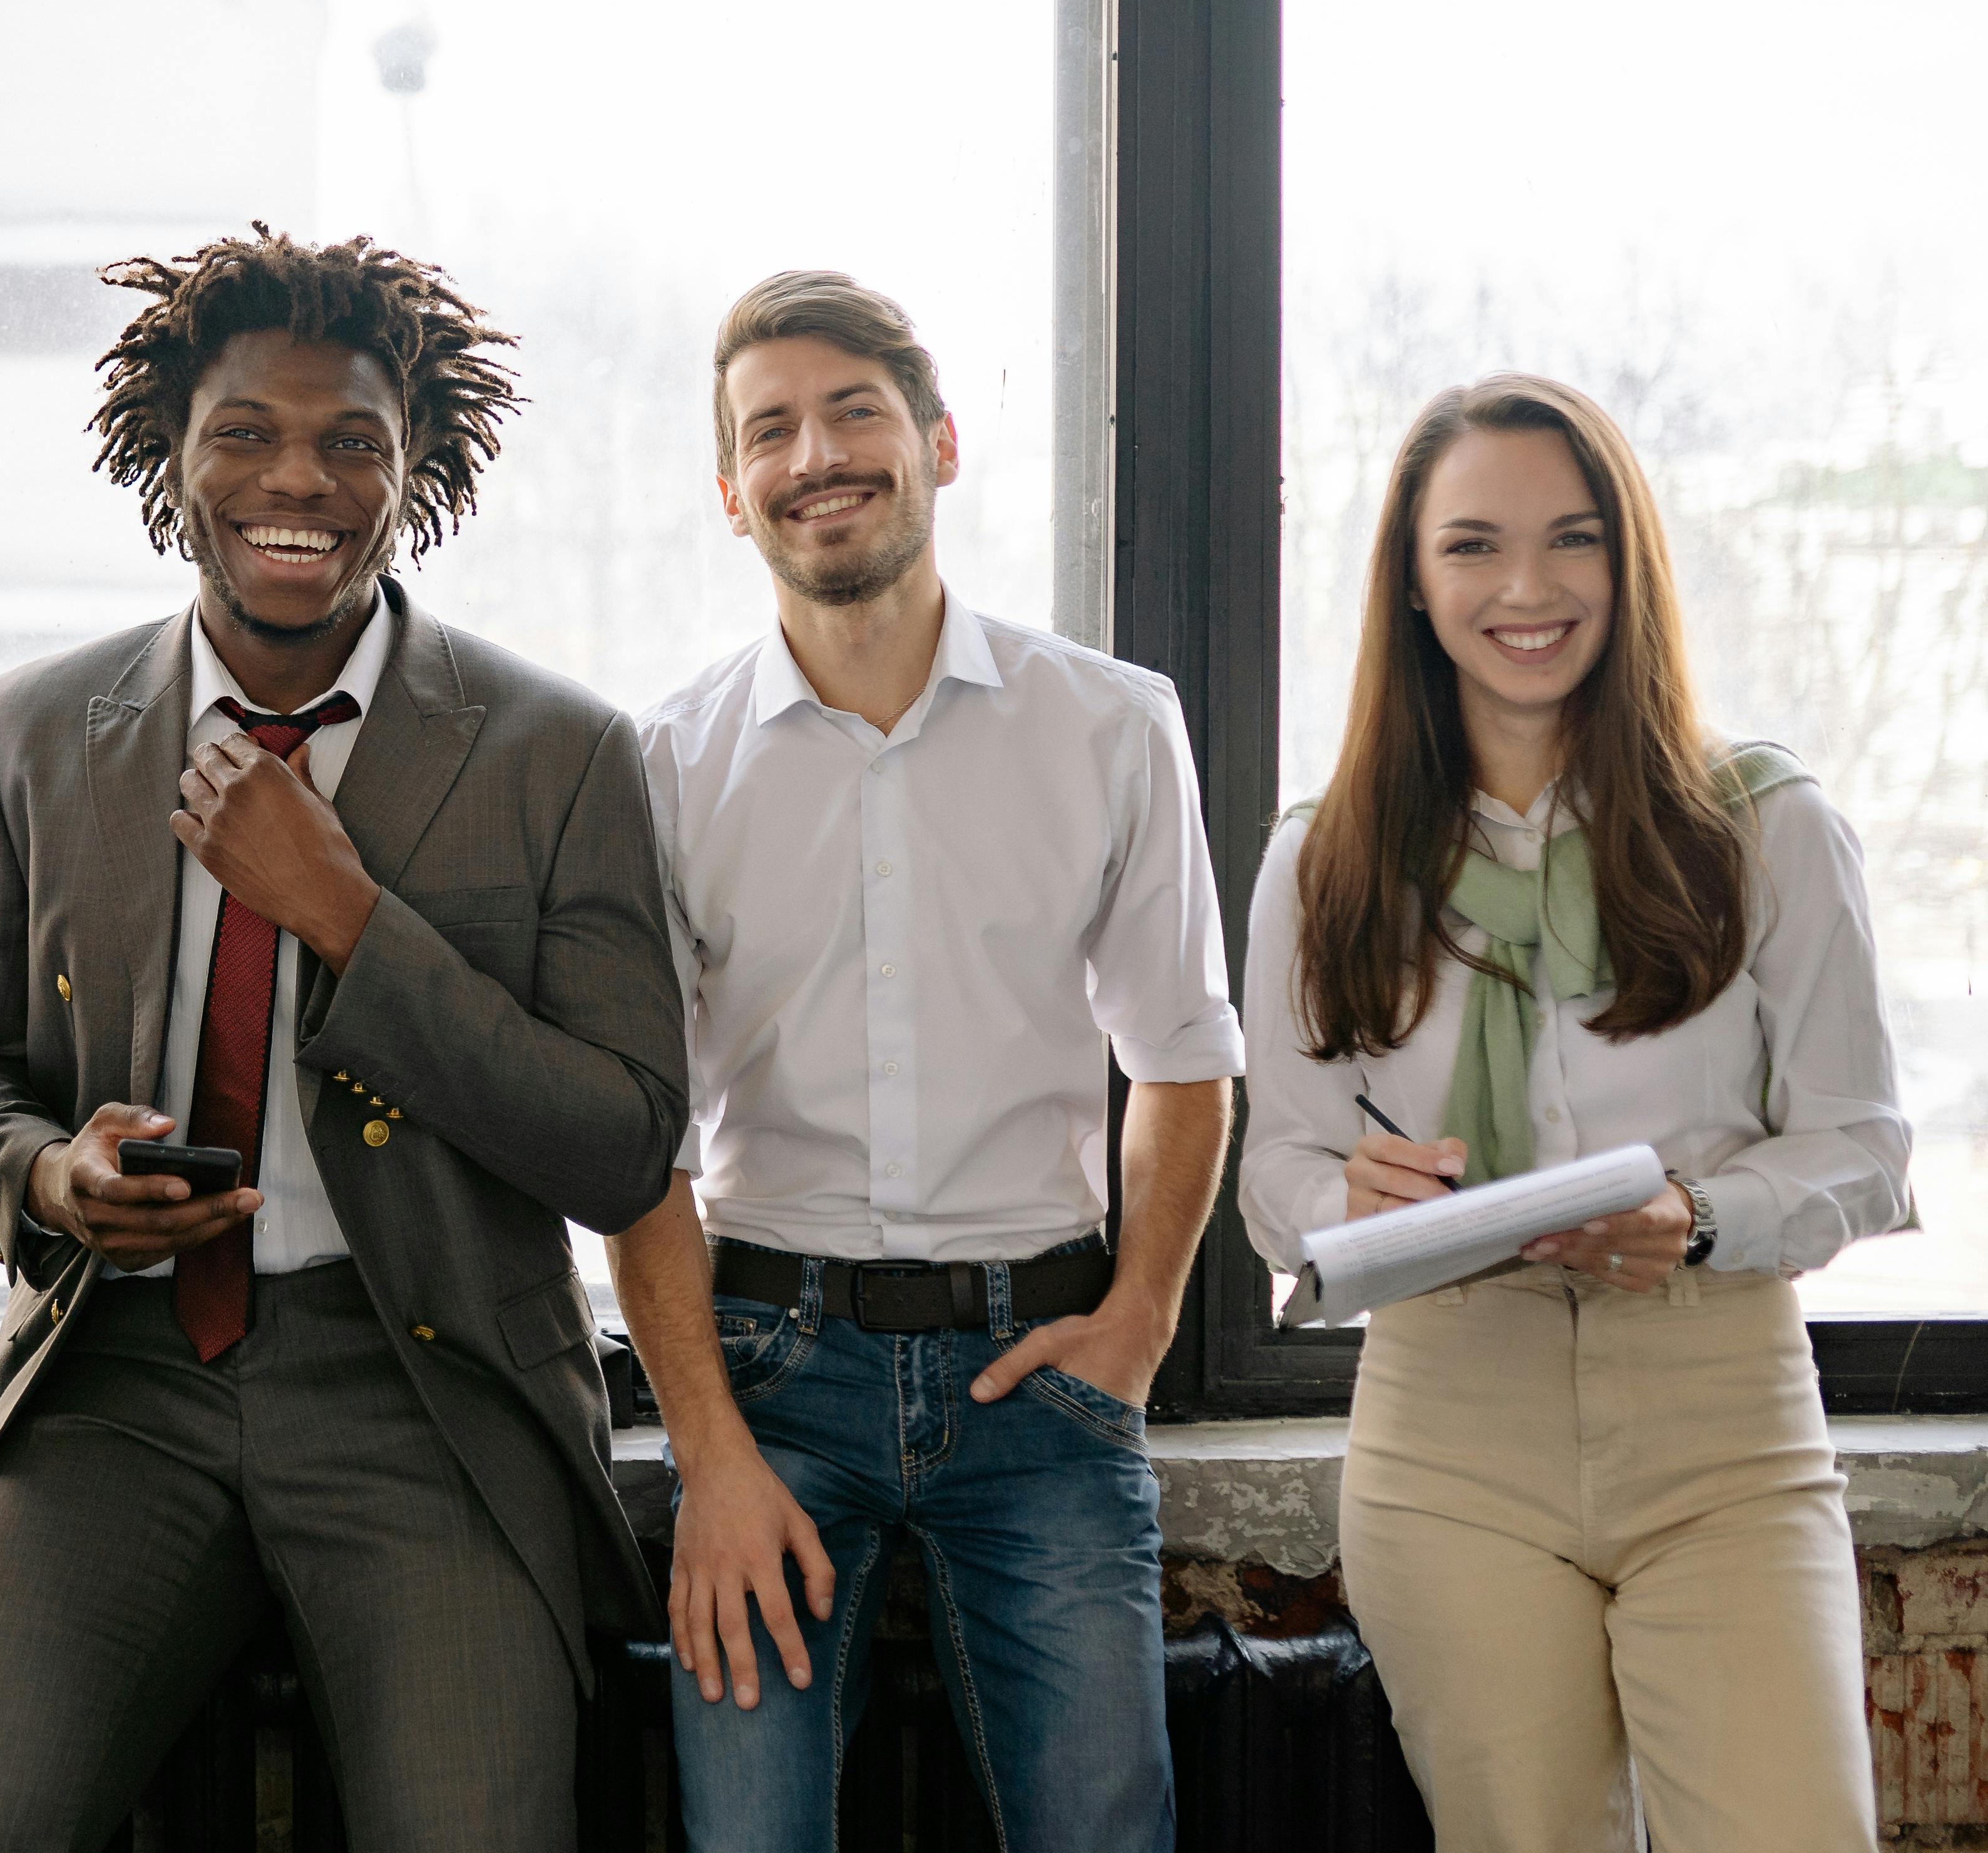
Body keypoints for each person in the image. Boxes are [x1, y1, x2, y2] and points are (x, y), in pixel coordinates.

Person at [0, 228, 688, 1853]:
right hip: (117, 1383)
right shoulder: (33, 728)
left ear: (417, 465)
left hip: (429, 1393)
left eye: (351, 441)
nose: (297, 479)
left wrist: (352, 921)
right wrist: (53, 1178)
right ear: (169, 457)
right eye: (244, 431)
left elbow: (621, 1144)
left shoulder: (563, 751)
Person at [611, 270, 1241, 1851]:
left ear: (941, 443)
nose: (816, 454)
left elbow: (1181, 1055)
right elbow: (642, 1144)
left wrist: (1139, 1324)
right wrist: (708, 1451)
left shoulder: (1112, 726)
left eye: (855, 411)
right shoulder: (665, 764)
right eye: (771, 429)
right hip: (769, 1380)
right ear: (730, 490)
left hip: (1040, 1375)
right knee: (749, 1836)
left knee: (1105, 1829)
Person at [1238, 374, 1905, 1850]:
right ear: (1415, 584)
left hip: (1720, 1411)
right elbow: (1276, 1161)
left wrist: (1704, 1214)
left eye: (1573, 538)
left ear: (1628, 562)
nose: (1527, 587)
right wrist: (1345, 1199)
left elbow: (1866, 1146)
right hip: (1451, 1418)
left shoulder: (1764, 824)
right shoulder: (1324, 853)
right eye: (1473, 544)